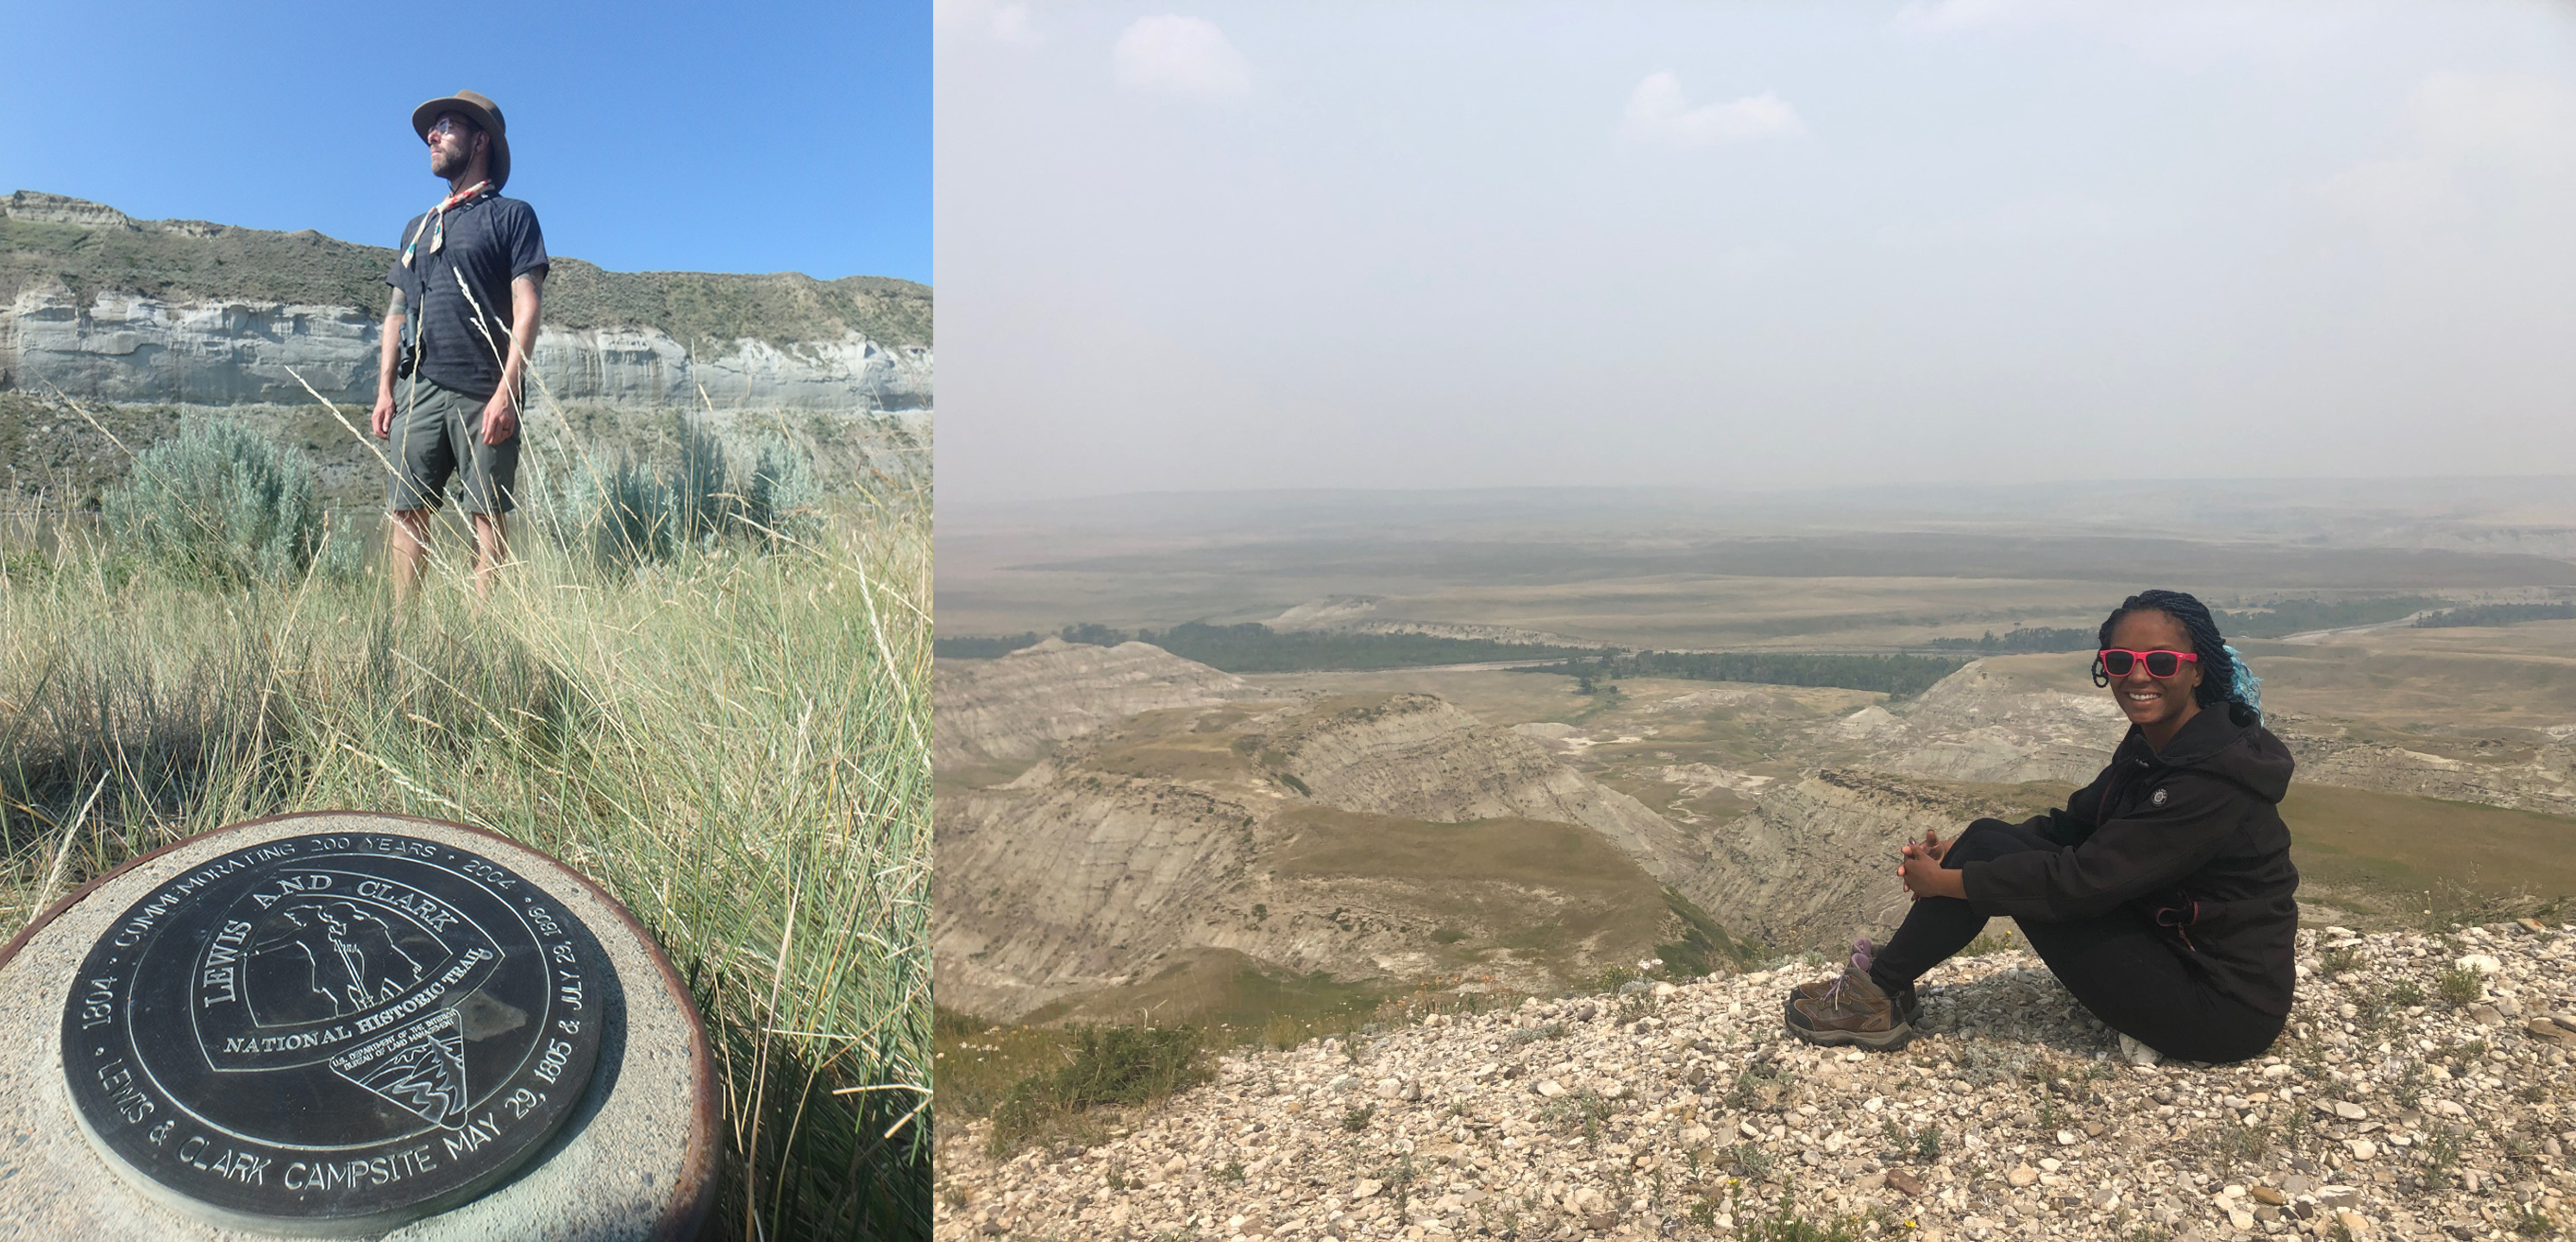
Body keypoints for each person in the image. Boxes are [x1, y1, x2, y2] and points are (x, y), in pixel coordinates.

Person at [1783, 589, 2297, 1064]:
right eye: (2121, 662)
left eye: (2161, 662)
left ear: (2198, 670)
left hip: (2221, 1010)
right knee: (1985, 837)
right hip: (2176, 952)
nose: (2138, 677)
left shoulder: (2209, 781)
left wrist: (1950, 883)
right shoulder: (2158, 745)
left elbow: (2082, 885)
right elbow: (2074, 825)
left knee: (2001, 867)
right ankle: (1883, 985)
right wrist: (1962, 852)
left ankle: (1874, 995)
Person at [370, 89, 548, 601]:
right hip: (418, 389)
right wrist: (386, 389)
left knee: (487, 514)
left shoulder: (513, 216)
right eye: (434, 128)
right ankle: (403, 637)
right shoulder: (418, 226)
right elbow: (396, 311)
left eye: (446, 126)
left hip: (483, 390)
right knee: (407, 508)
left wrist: (507, 393)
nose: (432, 135)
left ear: (479, 141)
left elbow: (527, 306)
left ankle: (485, 639)